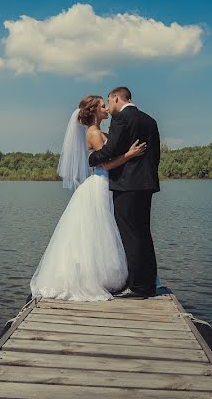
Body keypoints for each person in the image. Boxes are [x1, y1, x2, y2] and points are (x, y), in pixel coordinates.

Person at [29, 95, 146, 301]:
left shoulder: (99, 132)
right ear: (94, 112)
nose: (107, 109)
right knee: (99, 232)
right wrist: (130, 154)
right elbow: (105, 165)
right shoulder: (94, 133)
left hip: (105, 183)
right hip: (101, 183)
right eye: (102, 106)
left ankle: (112, 276)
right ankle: (97, 278)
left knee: (103, 232)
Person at [87, 86, 161, 298]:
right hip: (146, 185)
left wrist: (92, 159)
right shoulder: (150, 120)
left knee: (130, 235)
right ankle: (148, 284)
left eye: (109, 101)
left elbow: (111, 150)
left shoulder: (121, 118)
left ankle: (137, 287)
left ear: (117, 98)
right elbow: (155, 156)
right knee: (144, 233)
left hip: (127, 185)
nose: (109, 107)